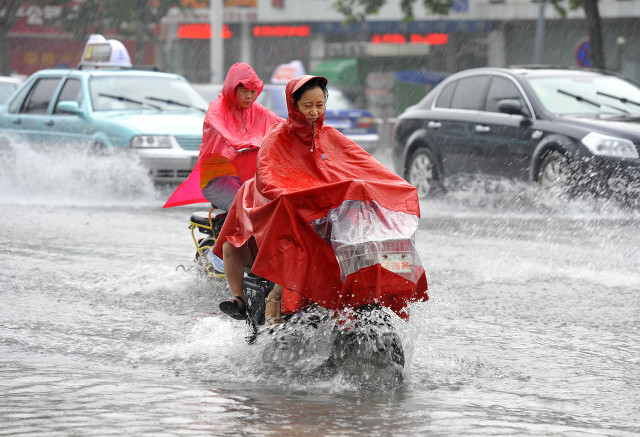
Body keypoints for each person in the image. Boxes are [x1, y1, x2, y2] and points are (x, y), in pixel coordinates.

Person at [213, 75, 428, 323]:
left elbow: (364, 165)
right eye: (307, 106)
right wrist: (290, 194)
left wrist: (395, 186)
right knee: (231, 244)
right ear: (294, 106)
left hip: (315, 206)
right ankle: (242, 298)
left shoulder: (330, 136)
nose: (314, 112)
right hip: (266, 201)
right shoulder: (277, 136)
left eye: (320, 105)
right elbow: (268, 177)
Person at [163, 62, 283, 209]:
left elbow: (281, 124)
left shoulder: (256, 110)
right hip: (216, 178)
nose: (249, 97)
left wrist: (309, 129)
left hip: (248, 179)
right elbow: (221, 128)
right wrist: (242, 143)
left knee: (277, 206)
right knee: (244, 208)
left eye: (253, 92)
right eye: (244, 91)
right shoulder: (217, 108)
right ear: (232, 90)